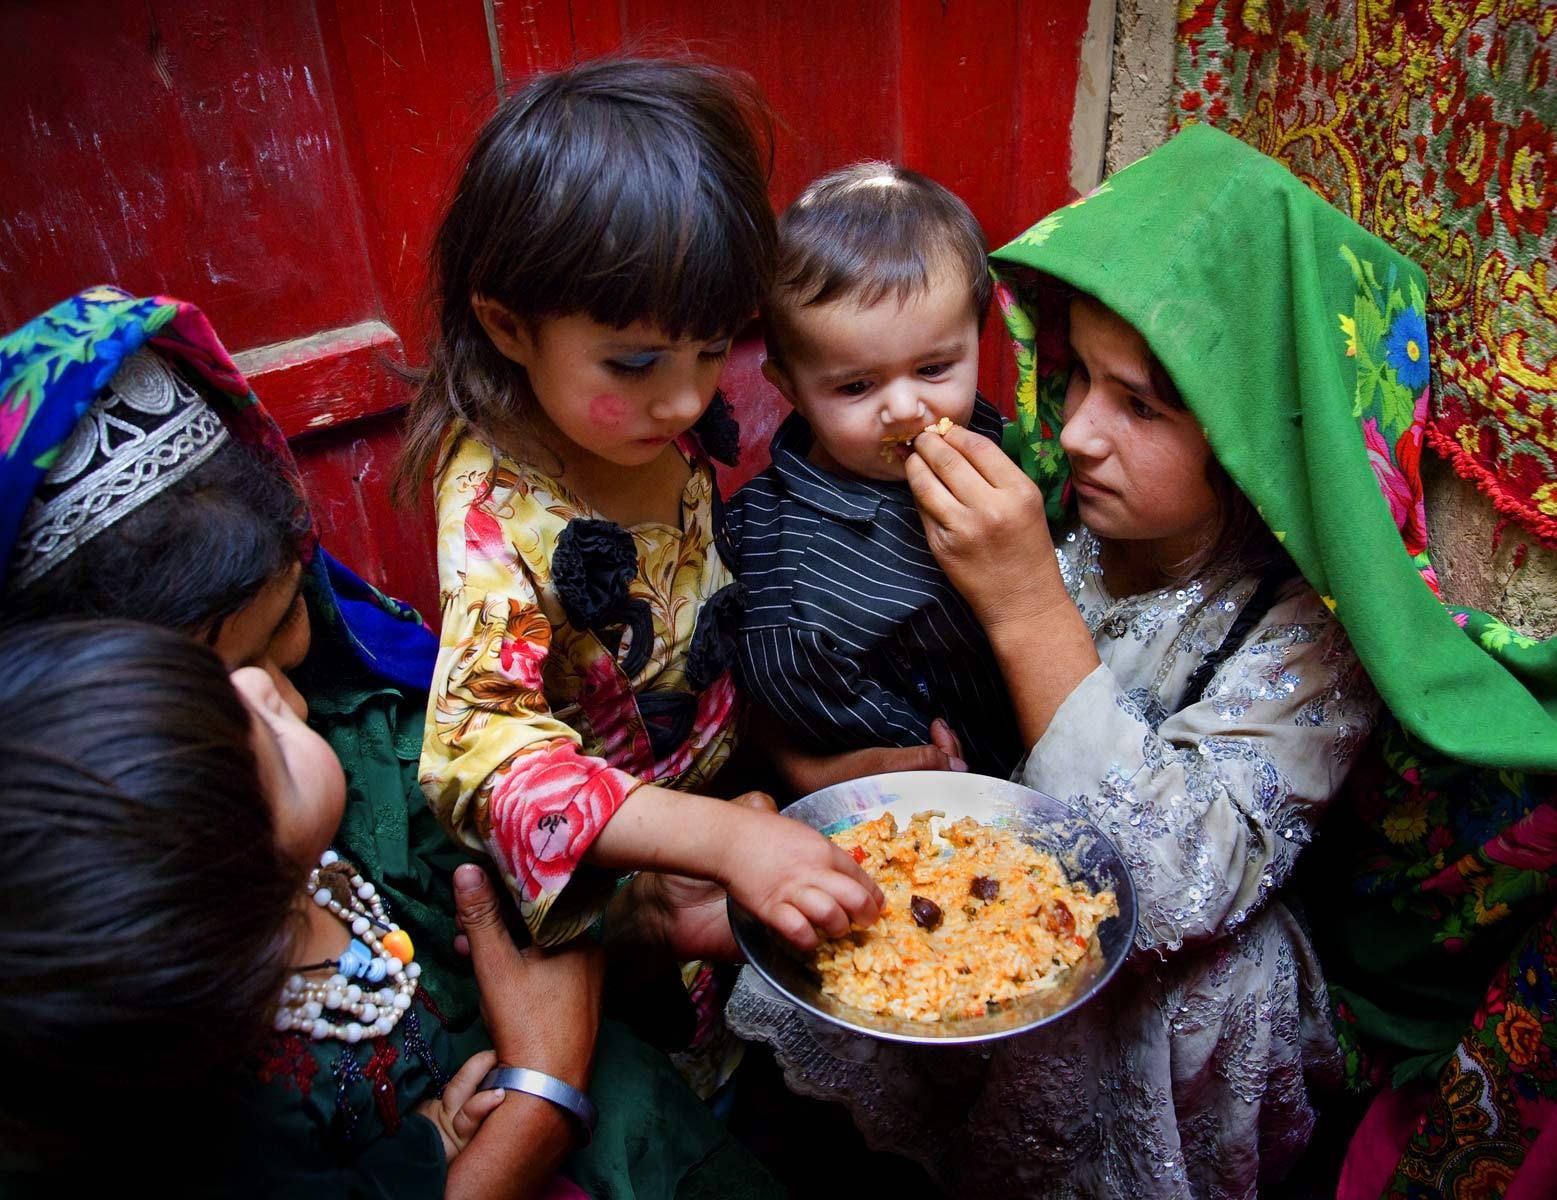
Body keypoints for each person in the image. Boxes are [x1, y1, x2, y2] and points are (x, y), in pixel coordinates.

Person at [728, 123, 1393, 1198]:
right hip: (983, 899)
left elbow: (1174, 891)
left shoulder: (1303, 631)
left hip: (1173, 976)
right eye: (1076, 374)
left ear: (1254, 428)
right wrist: (813, 774)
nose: (1076, 432)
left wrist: (1028, 605)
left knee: (1191, 989)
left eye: (1140, 404)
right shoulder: (1053, 495)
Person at [0, 286, 781, 1197]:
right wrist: (539, 1099)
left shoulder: (367, 730)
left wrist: (645, 910)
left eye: (284, 629)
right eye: (213, 684)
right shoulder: (92, 1006)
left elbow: (508, 924)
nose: (271, 692)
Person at [398, 58, 882, 1098]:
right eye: (635, 364)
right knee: (667, 1093)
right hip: (614, 895)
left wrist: (794, 775)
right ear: (508, 323)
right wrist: (715, 839)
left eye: (712, 352)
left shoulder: (646, 427)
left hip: (728, 831)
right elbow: (478, 759)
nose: (687, 400)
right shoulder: (495, 510)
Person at [728, 161, 1022, 778]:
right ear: (789, 386)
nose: (906, 408)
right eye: (858, 386)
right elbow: (807, 699)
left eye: (936, 369)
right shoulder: (794, 570)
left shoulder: (990, 444)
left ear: (978, 337)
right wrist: (922, 751)